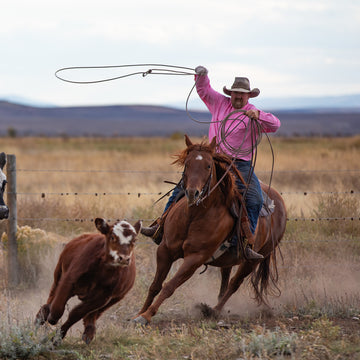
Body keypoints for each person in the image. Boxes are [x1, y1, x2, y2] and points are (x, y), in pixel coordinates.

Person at [142, 66, 281, 260]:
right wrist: (202, 75)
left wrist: (260, 116)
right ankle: (161, 225)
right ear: (230, 93)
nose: (238, 97)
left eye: (242, 94)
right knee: (184, 186)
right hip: (214, 159)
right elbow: (204, 90)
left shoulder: (253, 112)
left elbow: (275, 124)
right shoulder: (219, 103)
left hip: (240, 164)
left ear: (249, 96)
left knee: (255, 199)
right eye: (235, 93)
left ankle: (245, 242)